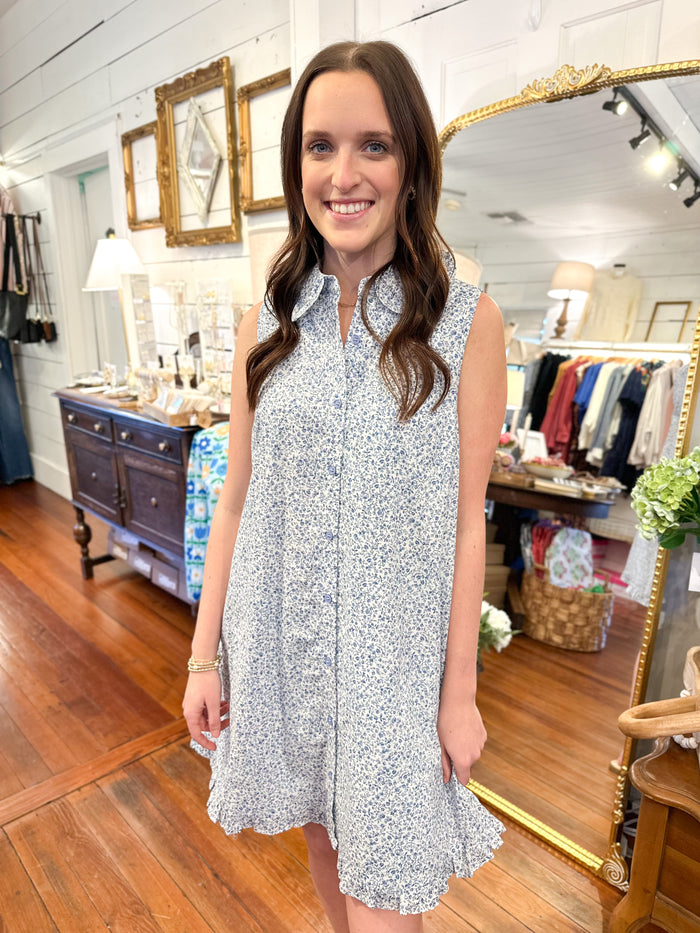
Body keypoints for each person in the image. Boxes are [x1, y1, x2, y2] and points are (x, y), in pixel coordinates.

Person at [183, 40, 507, 933]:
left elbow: (464, 521)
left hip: (395, 679)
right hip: (282, 646)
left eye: (374, 144)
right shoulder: (268, 323)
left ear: (410, 162)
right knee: (325, 840)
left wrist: (460, 692)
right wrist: (205, 655)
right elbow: (238, 503)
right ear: (298, 167)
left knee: (385, 900)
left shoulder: (466, 325)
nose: (344, 172)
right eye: (320, 146)